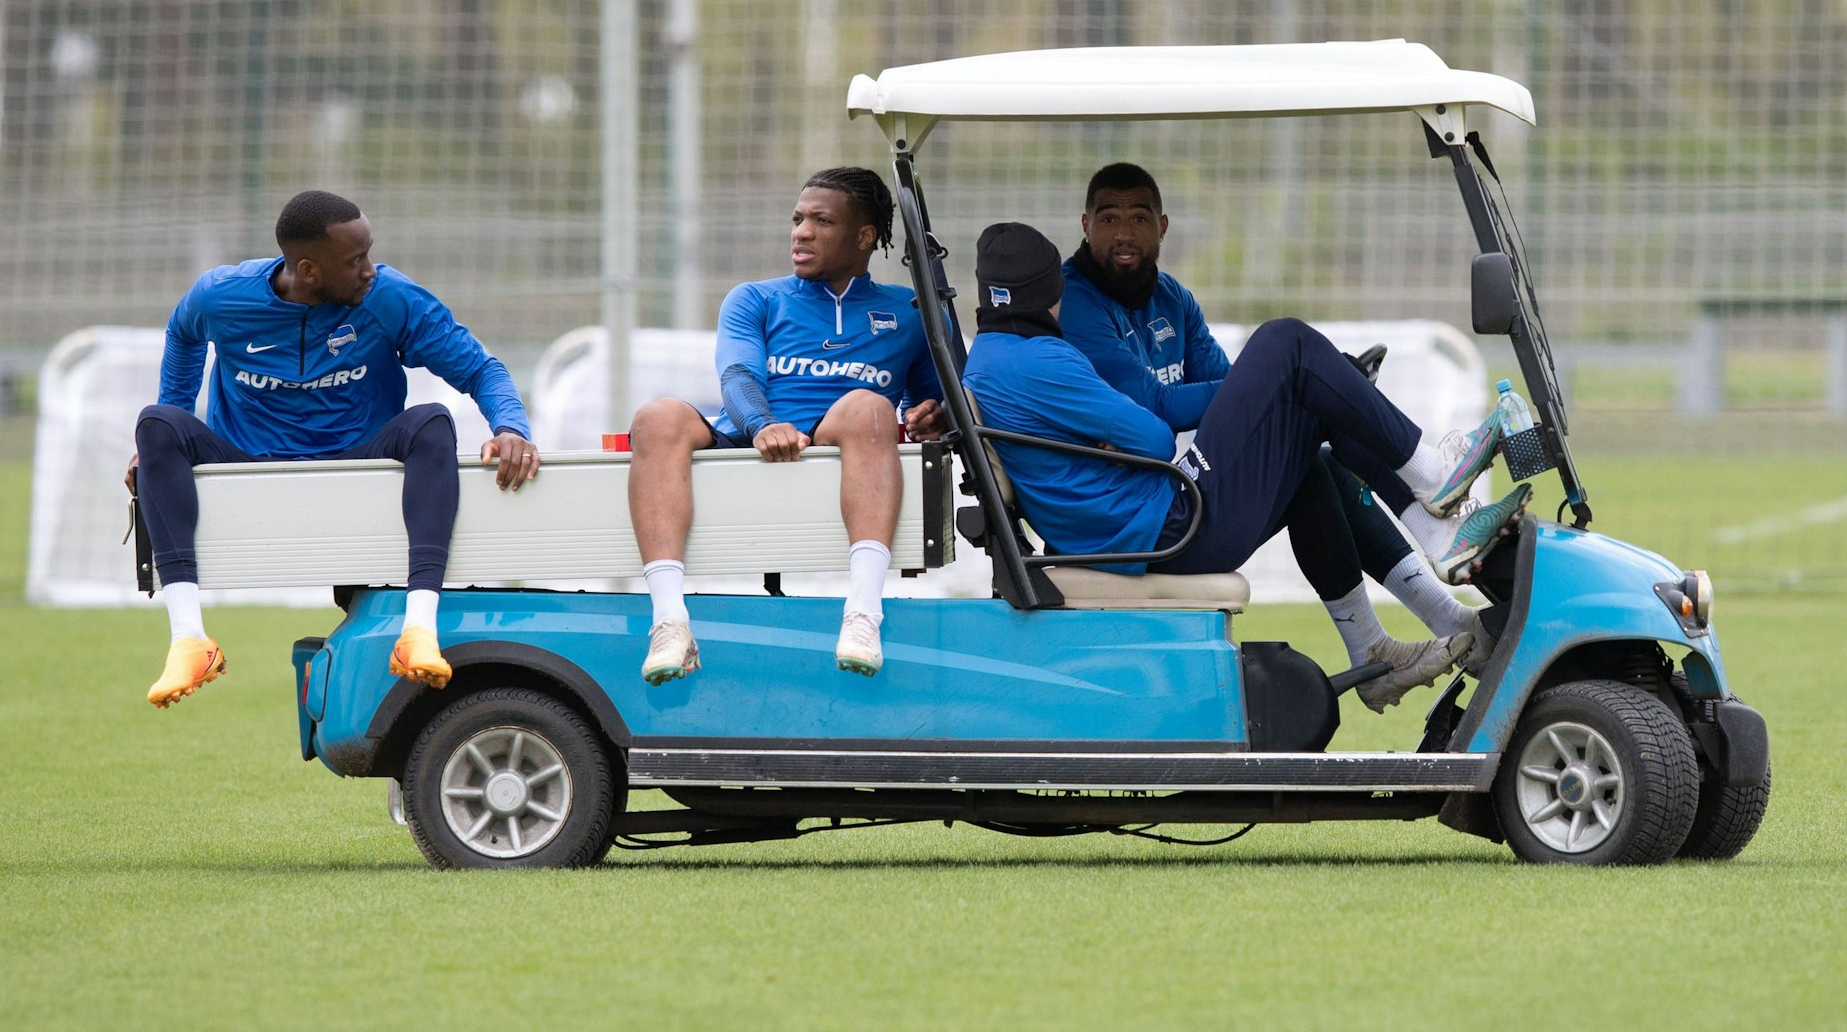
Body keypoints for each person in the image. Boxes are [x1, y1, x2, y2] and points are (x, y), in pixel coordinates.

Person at [964, 223, 1533, 711]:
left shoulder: (989, 360)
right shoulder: (1043, 359)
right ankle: (1435, 486)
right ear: (1050, 293)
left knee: (1311, 432)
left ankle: (1380, 641)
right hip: (1165, 531)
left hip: (1141, 526)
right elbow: (1155, 437)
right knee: (1285, 341)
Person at [126, 190, 540, 708]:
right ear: (308, 270)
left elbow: (480, 367)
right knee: (156, 425)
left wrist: (511, 428)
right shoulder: (221, 296)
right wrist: (174, 409)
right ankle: (189, 639)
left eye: (368, 254)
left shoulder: (390, 299)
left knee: (432, 422)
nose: (370, 270)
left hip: (358, 460)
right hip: (247, 463)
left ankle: (417, 632)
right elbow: (181, 333)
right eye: (354, 260)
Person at [627, 167, 947, 684]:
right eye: (798, 219)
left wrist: (933, 414)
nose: (801, 232)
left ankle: (863, 616)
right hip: (751, 432)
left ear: (865, 237)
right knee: (656, 417)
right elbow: (736, 375)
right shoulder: (756, 298)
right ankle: (669, 622)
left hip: (840, 435)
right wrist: (761, 424)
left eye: (822, 221)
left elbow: (932, 400)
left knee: (869, 406)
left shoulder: (910, 312)